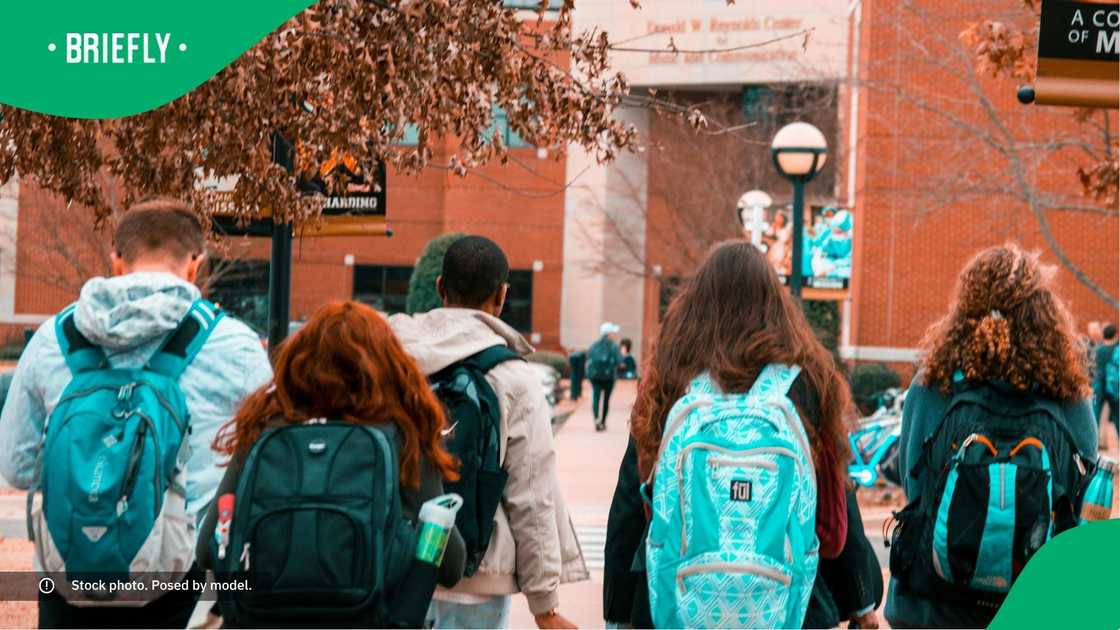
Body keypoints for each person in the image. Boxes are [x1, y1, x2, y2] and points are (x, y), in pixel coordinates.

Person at [0, 198, 272, 629]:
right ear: (195, 264)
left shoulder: (53, 339)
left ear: (117, 260)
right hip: (182, 584)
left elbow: (16, 466)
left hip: (69, 576)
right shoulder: (235, 346)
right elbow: (265, 471)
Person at [625, 240, 852, 628]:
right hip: (779, 609)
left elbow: (643, 505)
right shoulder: (809, 383)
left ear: (694, 304)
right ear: (776, 305)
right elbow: (831, 533)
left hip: (680, 607)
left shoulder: (669, 378)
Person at [197, 301, 466, 626]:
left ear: (298, 363)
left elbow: (209, 549)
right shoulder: (403, 437)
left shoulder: (266, 430)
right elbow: (451, 566)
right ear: (386, 365)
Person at [884, 244, 1098, 629]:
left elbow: (914, 485)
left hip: (933, 605)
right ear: (1044, 314)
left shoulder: (933, 384)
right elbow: (1083, 495)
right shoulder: (1067, 393)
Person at [388, 235, 585, 629]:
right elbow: (533, 495)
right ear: (502, 295)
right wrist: (543, 605)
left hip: (396, 565)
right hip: (477, 580)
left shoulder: (392, 358)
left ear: (440, 286)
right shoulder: (512, 376)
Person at [587, 322, 623, 431]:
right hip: (609, 377)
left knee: (596, 397)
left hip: (595, 376)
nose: (614, 334)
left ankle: (596, 419)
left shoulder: (594, 345)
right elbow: (619, 361)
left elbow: (588, 358)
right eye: (613, 332)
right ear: (609, 333)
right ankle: (602, 422)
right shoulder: (613, 346)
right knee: (606, 400)